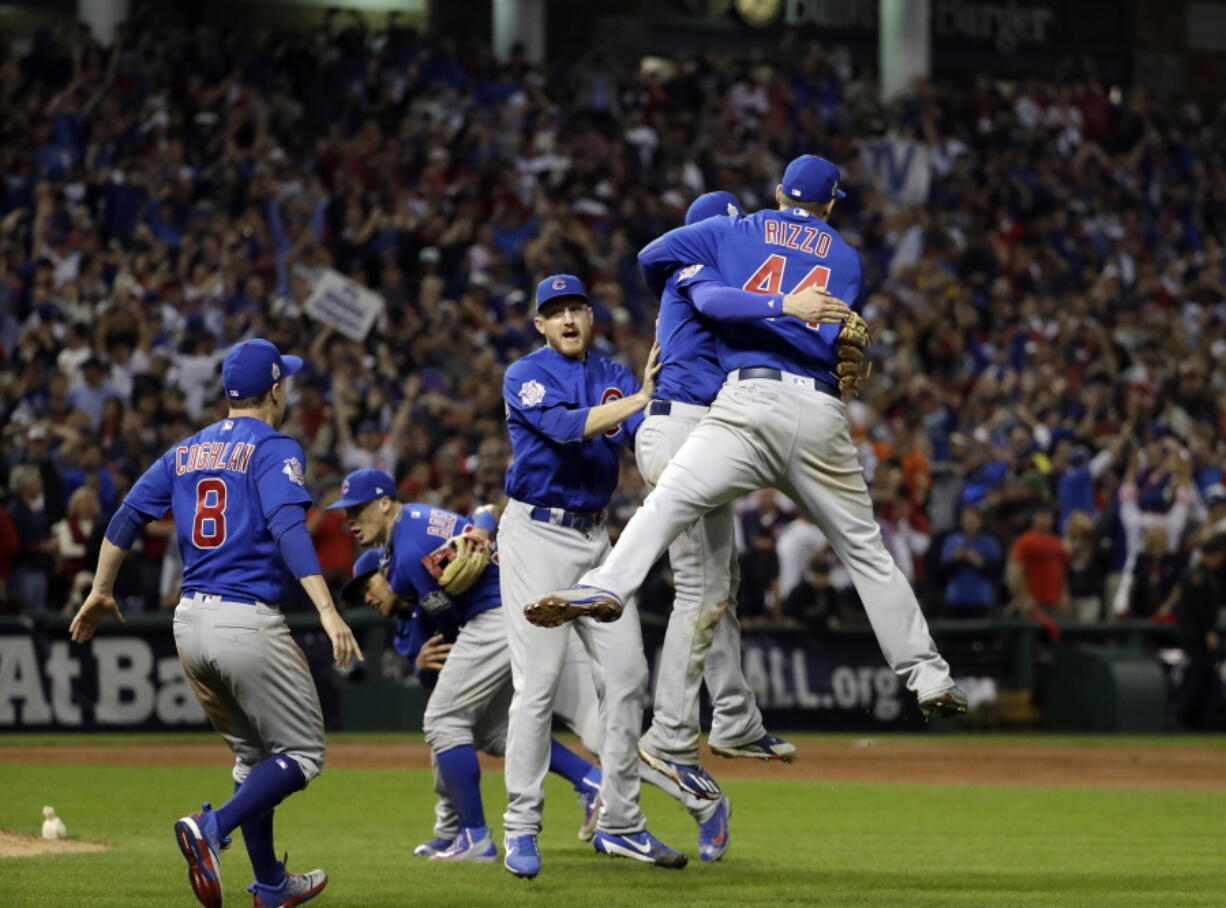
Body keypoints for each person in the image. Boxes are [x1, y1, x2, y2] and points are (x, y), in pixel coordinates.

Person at [528, 155, 966, 721]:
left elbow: (652, 259)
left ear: (780, 191)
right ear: (830, 205)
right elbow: (836, 344)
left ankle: (609, 585)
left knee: (671, 498)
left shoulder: (737, 228)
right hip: (820, 411)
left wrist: (715, 264)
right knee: (866, 552)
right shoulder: (849, 258)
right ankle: (928, 674)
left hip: (748, 402)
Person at [68, 337, 363, 908]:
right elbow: (287, 526)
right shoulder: (276, 447)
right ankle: (213, 826)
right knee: (302, 756)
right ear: (276, 388)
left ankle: (272, 887)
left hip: (190, 623)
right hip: (244, 621)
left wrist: (101, 589)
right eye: (287, 382)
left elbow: (127, 516)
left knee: (255, 759)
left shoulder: (186, 450)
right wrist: (328, 610)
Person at [634, 190, 842, 808]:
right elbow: (719, 300)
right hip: (682, 431)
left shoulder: (720, 276)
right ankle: (669, 740)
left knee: (720, 583)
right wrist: (788, 305)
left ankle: (734, 719)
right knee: (702, 590)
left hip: (696, 432)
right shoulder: (696, 266)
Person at [497, 274, 687, 877]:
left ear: (590, 315)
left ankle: (621, 824)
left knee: (629, 676)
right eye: (555, 311)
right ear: (540, 325)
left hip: (595, 538)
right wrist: (640, 399)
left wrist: (685, 436)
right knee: (538, 686)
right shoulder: (524, 374)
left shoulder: (617, 373)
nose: (568, 318)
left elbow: (643, 440)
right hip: (535, 535)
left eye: (576, 306)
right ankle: (521, 828)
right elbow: (565, 429)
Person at [330, 477, 604, 863]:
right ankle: (593, 783)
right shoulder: (421, 522)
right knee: (496, 732)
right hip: (520, 605)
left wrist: (429, 660)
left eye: (357, 510)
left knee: (443, 722)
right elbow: (486, 512)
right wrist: (482, 530)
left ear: (386, 504)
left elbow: (448, 624)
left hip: (495, 614)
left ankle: (473, 837)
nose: (350, 521)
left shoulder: (407, 556)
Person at [1172, 534, 1225, 729]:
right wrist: (1208, 631)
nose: (1220, 559)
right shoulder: (1197, 575)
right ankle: (1179, 716)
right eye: (1218, 555)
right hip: (1196, 635)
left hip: (1198, 634)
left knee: (1204, 675)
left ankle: (1195, 719)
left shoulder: (1207, 574)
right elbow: (1197, 609)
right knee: (1196, 675)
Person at [1007, 505, 1069, 638]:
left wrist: (1064, 594)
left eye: (1048, 516)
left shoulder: (1057, 542)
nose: (1044, 520)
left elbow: (1061, 572)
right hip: (1034, 602)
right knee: (1031, 639)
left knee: (1053, 639)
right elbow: (1016, 571)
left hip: (1053, 601)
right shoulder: (1025, 541)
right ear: (1033, 518)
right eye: (1041, 516)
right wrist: (1025, 597)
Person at [939, 506, 1002, 618]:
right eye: (967, 520)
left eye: (973, 520)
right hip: (955, 600)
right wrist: (956, 558)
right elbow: (941, 572)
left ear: (980, 522)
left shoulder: (990, 542)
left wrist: (978, 561)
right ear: (961, 522)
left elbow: (996, 571)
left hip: (981, 600)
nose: (969, 523)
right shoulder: (952, 541)